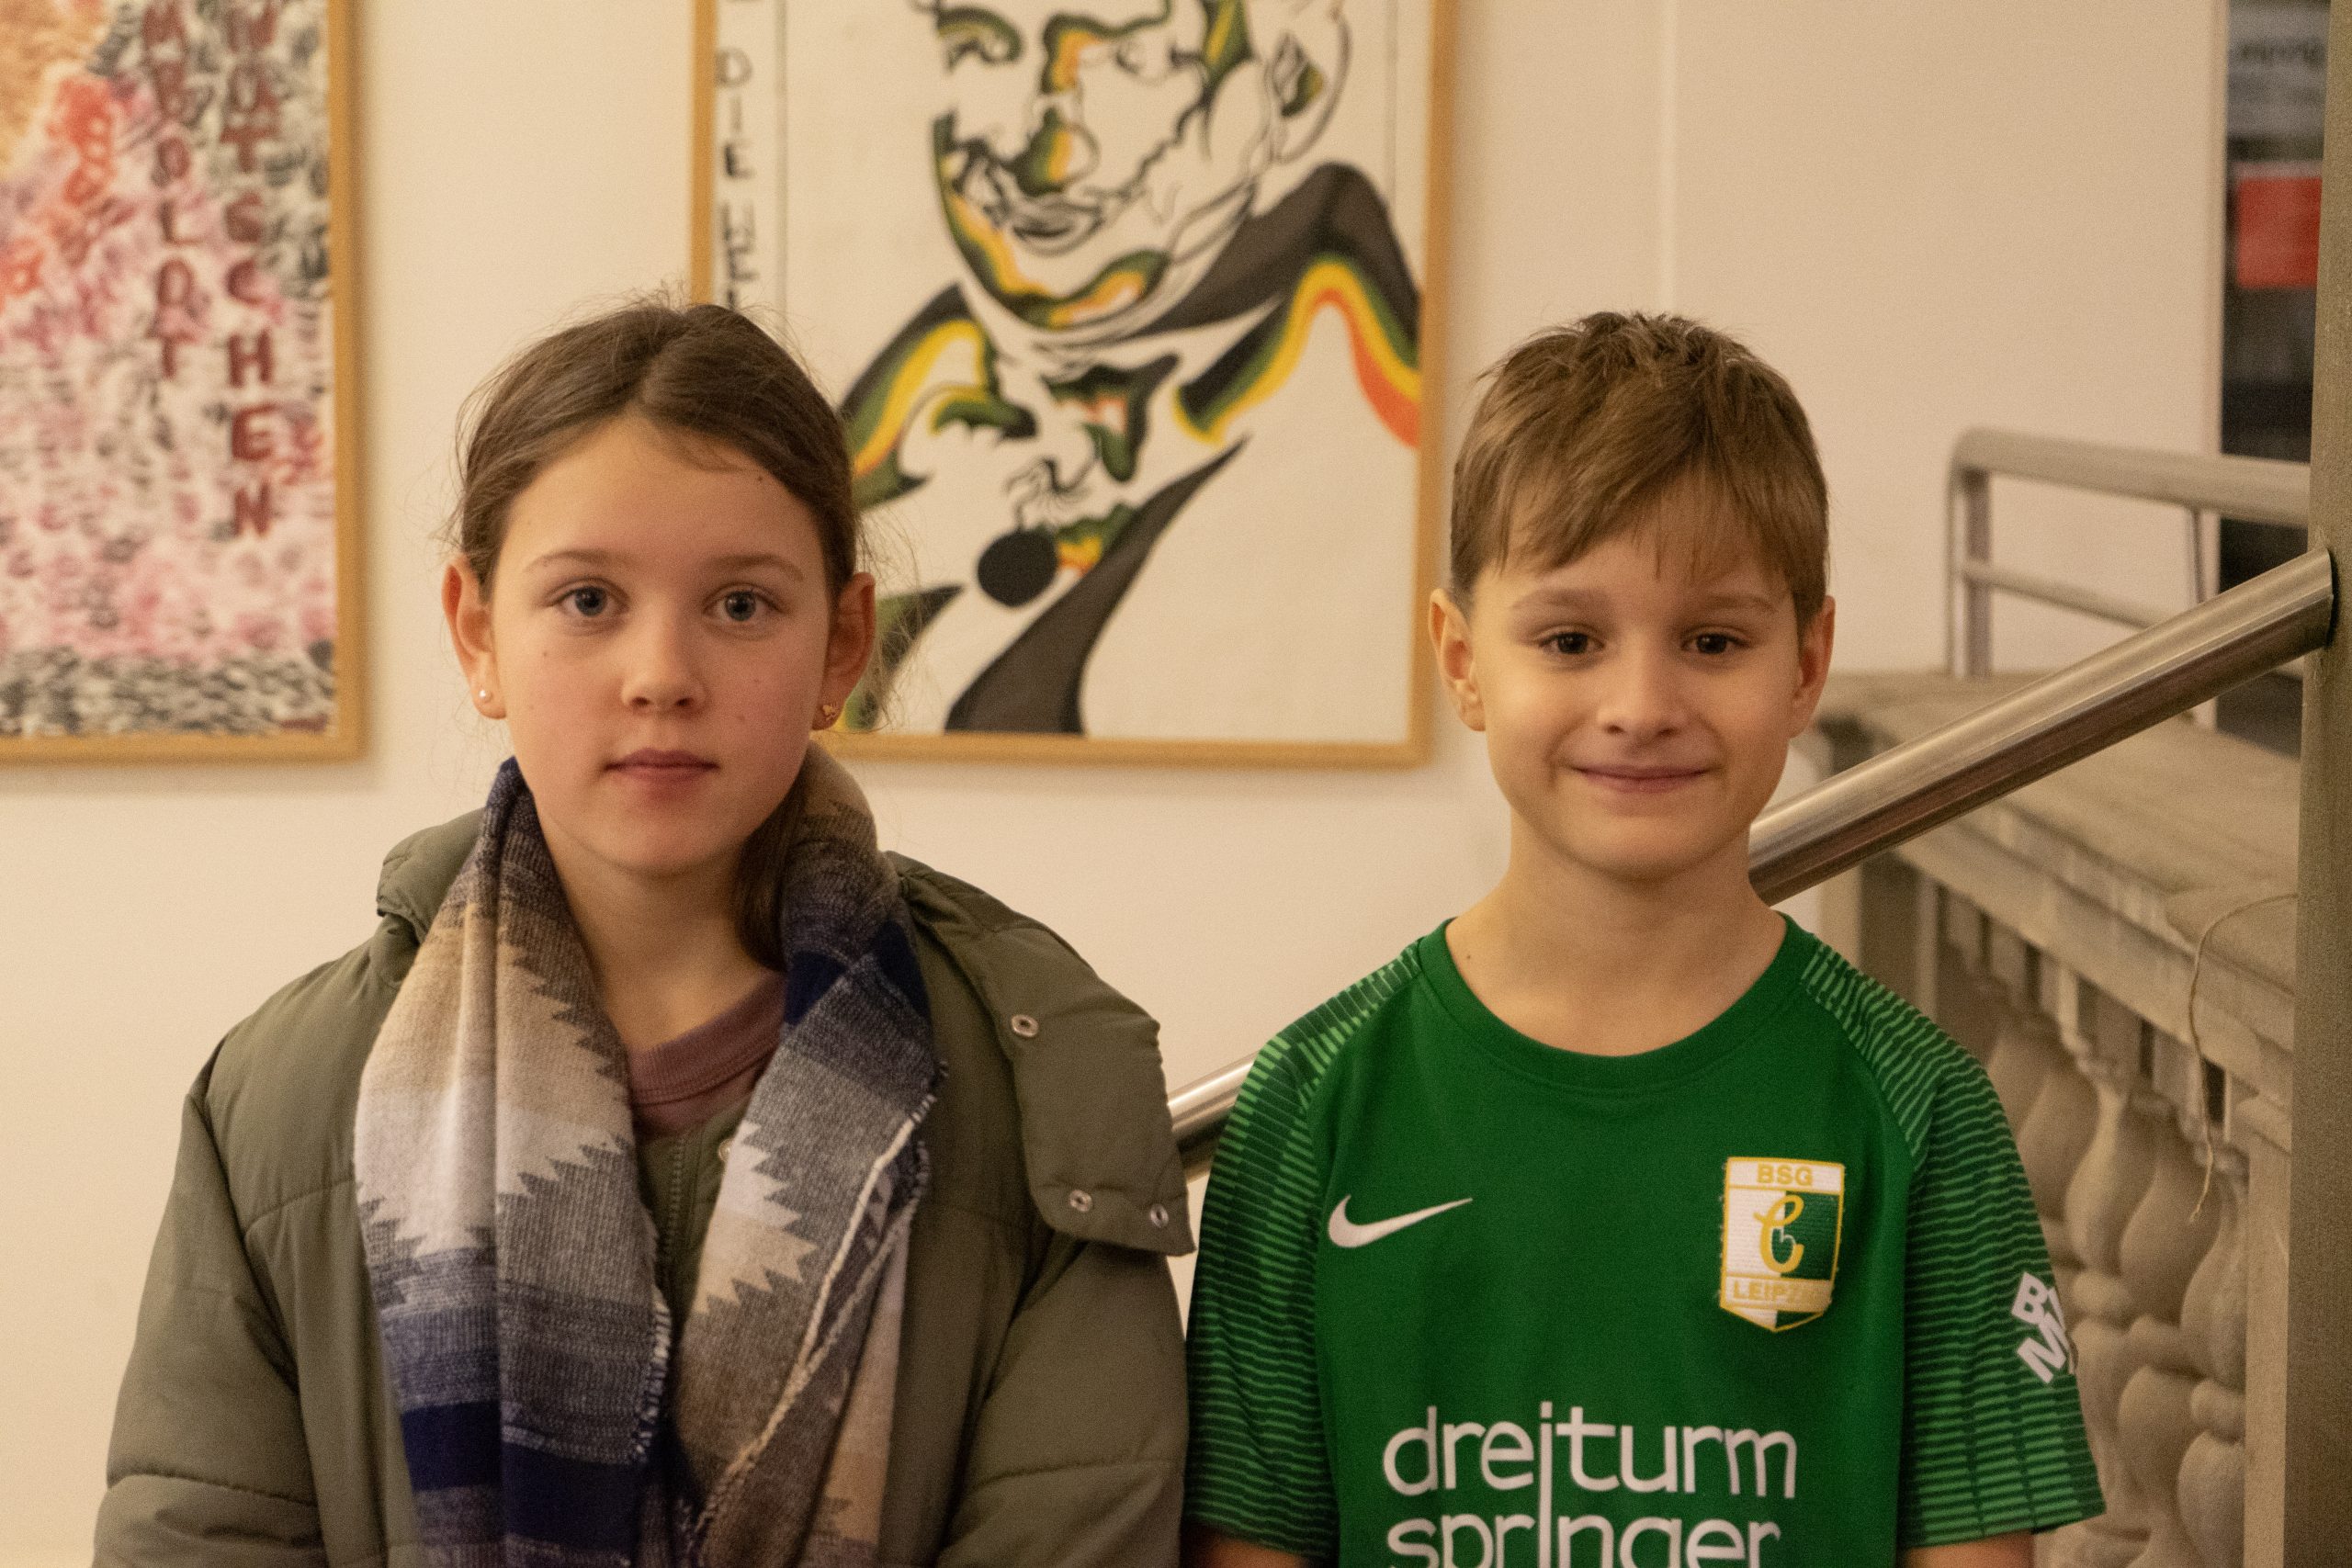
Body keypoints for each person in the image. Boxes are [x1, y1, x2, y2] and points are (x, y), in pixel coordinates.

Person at [96, 300, 1193, 1568]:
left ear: (843, 643)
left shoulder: (1043, 1084)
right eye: (588, 598)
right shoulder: (277, 1099)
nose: (662, 671)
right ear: (477, 633)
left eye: (741, 603)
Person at [1182, 314, 2104, 1567]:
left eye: (1712, 641)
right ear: (1463, 660)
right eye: (1570, 640)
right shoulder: (1312, 1107)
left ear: (1805, 664)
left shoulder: (1919, 1112)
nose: (1641, 705)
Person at [838, 0, 1422, 739]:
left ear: (1294, 83)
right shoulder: (891, 411)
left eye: (1123, 58)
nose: (1024, 146)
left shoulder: (1368, 422)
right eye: (978, 48)